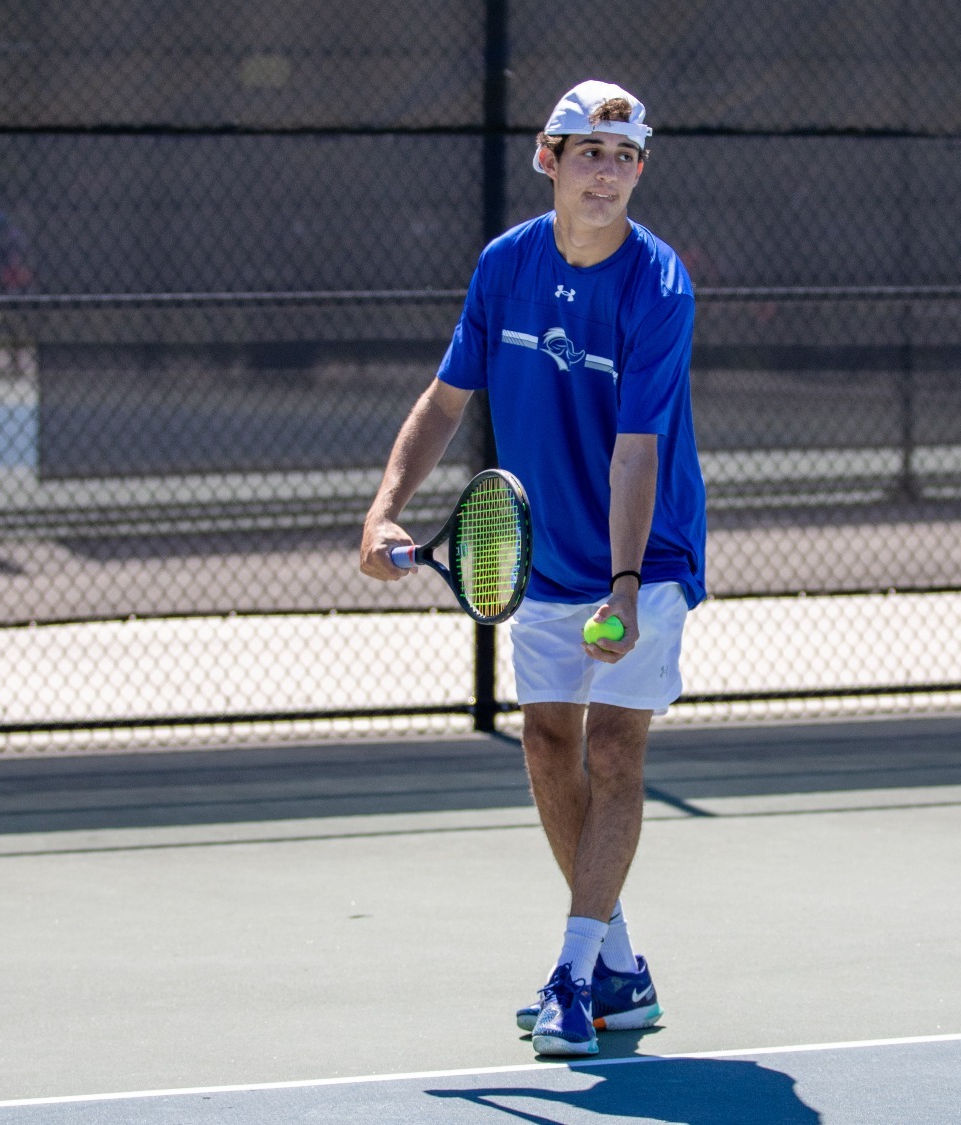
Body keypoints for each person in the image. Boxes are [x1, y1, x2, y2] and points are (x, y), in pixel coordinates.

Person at [359, 79, 706, 1057]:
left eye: (624, 157)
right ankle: (619, 970)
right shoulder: (504, 266)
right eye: (588, 152)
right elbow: (442, 401)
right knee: (548, 744)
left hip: (648, 553)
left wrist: (628, 589)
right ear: (547, 160)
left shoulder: (659, 285)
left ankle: (567, 974)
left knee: (613, 752)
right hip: (542, 549)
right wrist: (384, 510)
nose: (607, 172)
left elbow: (635, 448)